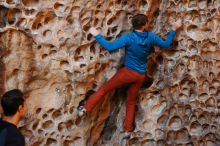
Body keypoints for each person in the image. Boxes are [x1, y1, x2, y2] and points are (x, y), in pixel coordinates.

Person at [77, 14, 182, 137]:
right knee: (131, 100)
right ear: (145, 25)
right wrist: (174, 28)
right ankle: (128, 128)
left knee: (104, 89)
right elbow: (165, 44)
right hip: (140, 76)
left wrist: (96, 34)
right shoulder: (151, 37)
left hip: (127, 73)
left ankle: (86, 108)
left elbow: (109, 46)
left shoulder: (129, 38)